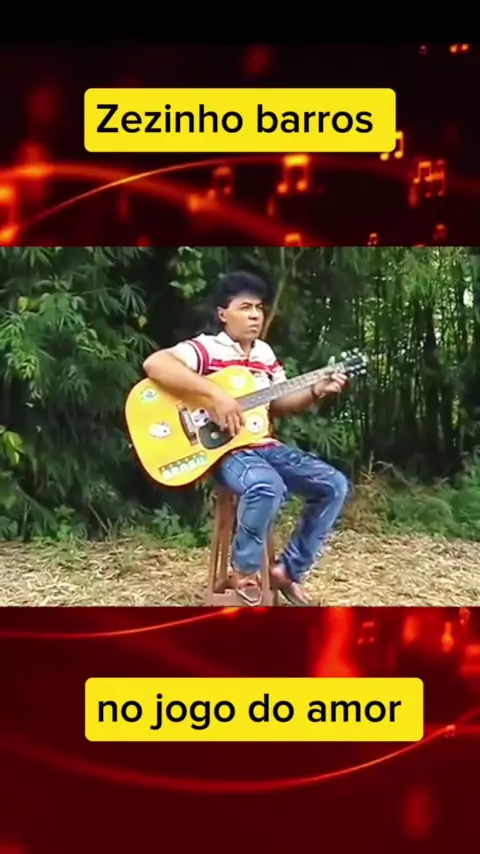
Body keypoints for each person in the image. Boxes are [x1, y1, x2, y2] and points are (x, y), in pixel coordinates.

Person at [143, 271, 350, 606]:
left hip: (265, 446)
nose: (255, 315)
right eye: (245, 307)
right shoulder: (206, 348)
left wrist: (316, 390)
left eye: (259, 308)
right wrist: (215, 395)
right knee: (267, 486)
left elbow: (278, 403)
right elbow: (155, 363)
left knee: (334, 484)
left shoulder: (265, 354)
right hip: (225, 452)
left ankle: (286, 571)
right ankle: (245, 571)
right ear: (223, 314)